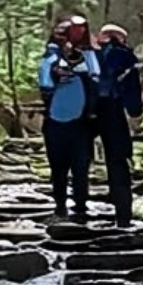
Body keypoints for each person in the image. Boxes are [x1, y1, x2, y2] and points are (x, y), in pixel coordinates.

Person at [38, 15, 100, 219]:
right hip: (56, 121)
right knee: (58, 167)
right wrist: (57, 73)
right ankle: (60, 206)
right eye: (74, 30)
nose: (78, 33)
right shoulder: (50, 57)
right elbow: (45, 82)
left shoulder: (89, 55)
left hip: (81, 122)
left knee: (81, 166)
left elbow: (95, 77)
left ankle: (81, 206)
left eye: (82, 29)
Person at [93, 23, 143, 226]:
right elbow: (132, 91)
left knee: (77, 160)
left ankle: (76, 209)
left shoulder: (87, 55)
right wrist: (135, 111)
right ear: (121, 39)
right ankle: (123, 214)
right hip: (113, 110)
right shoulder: (126, 57)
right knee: (117, 161)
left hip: (86, 112)